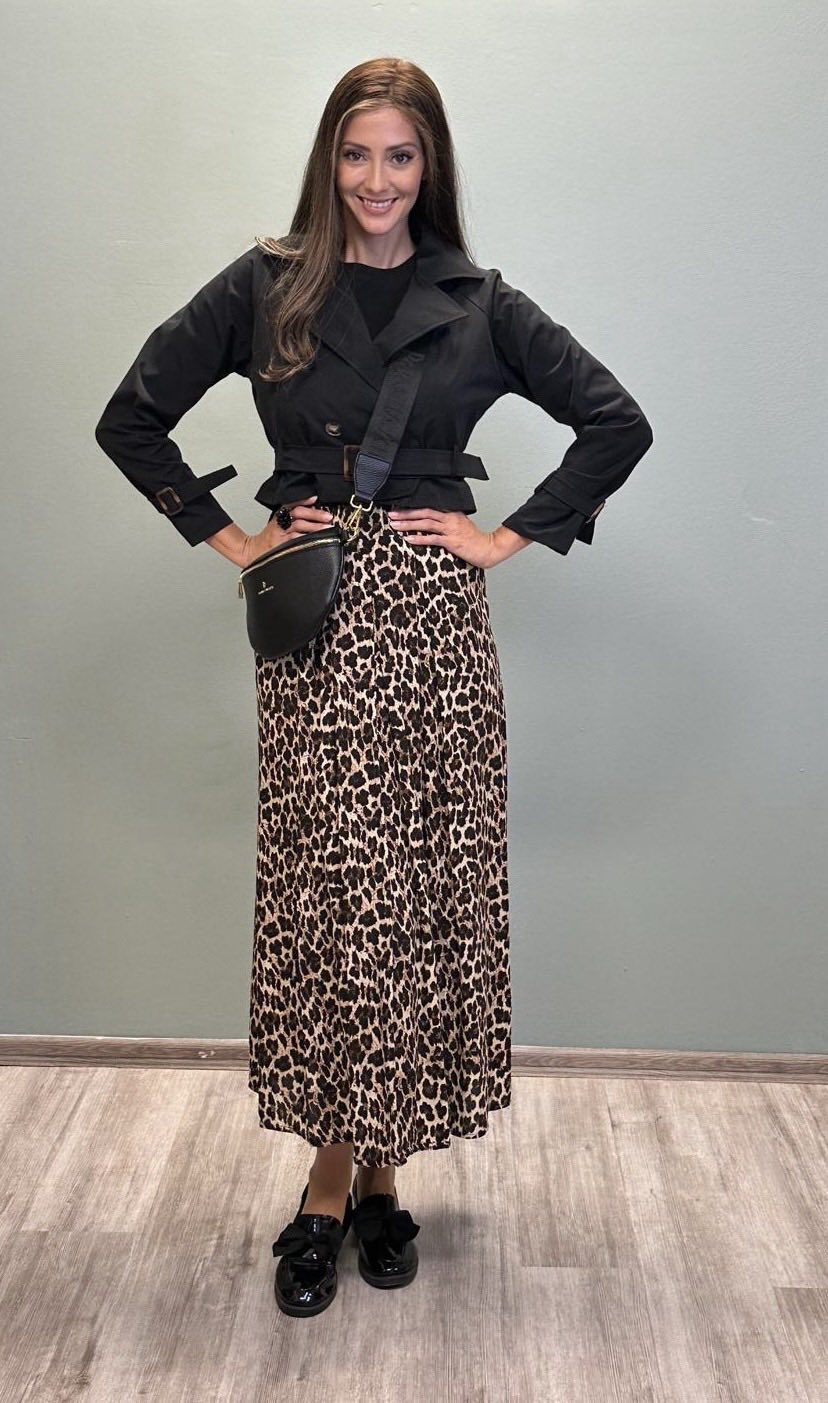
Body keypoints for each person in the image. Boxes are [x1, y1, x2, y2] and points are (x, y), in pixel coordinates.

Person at [94, 56, 654, 1318]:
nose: (377, 180)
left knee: (417, 894)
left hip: (436, 631)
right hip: (317, 626)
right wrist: (234, 538)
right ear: (328, 160)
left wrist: (507, 535)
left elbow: (616, 420)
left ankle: (381, 1171)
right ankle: (328, 1176)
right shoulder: (267, 284)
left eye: (400, 155)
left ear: (429, 164)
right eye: (356, 154)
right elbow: (132, 414)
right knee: (335, 902)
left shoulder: (478, 302)